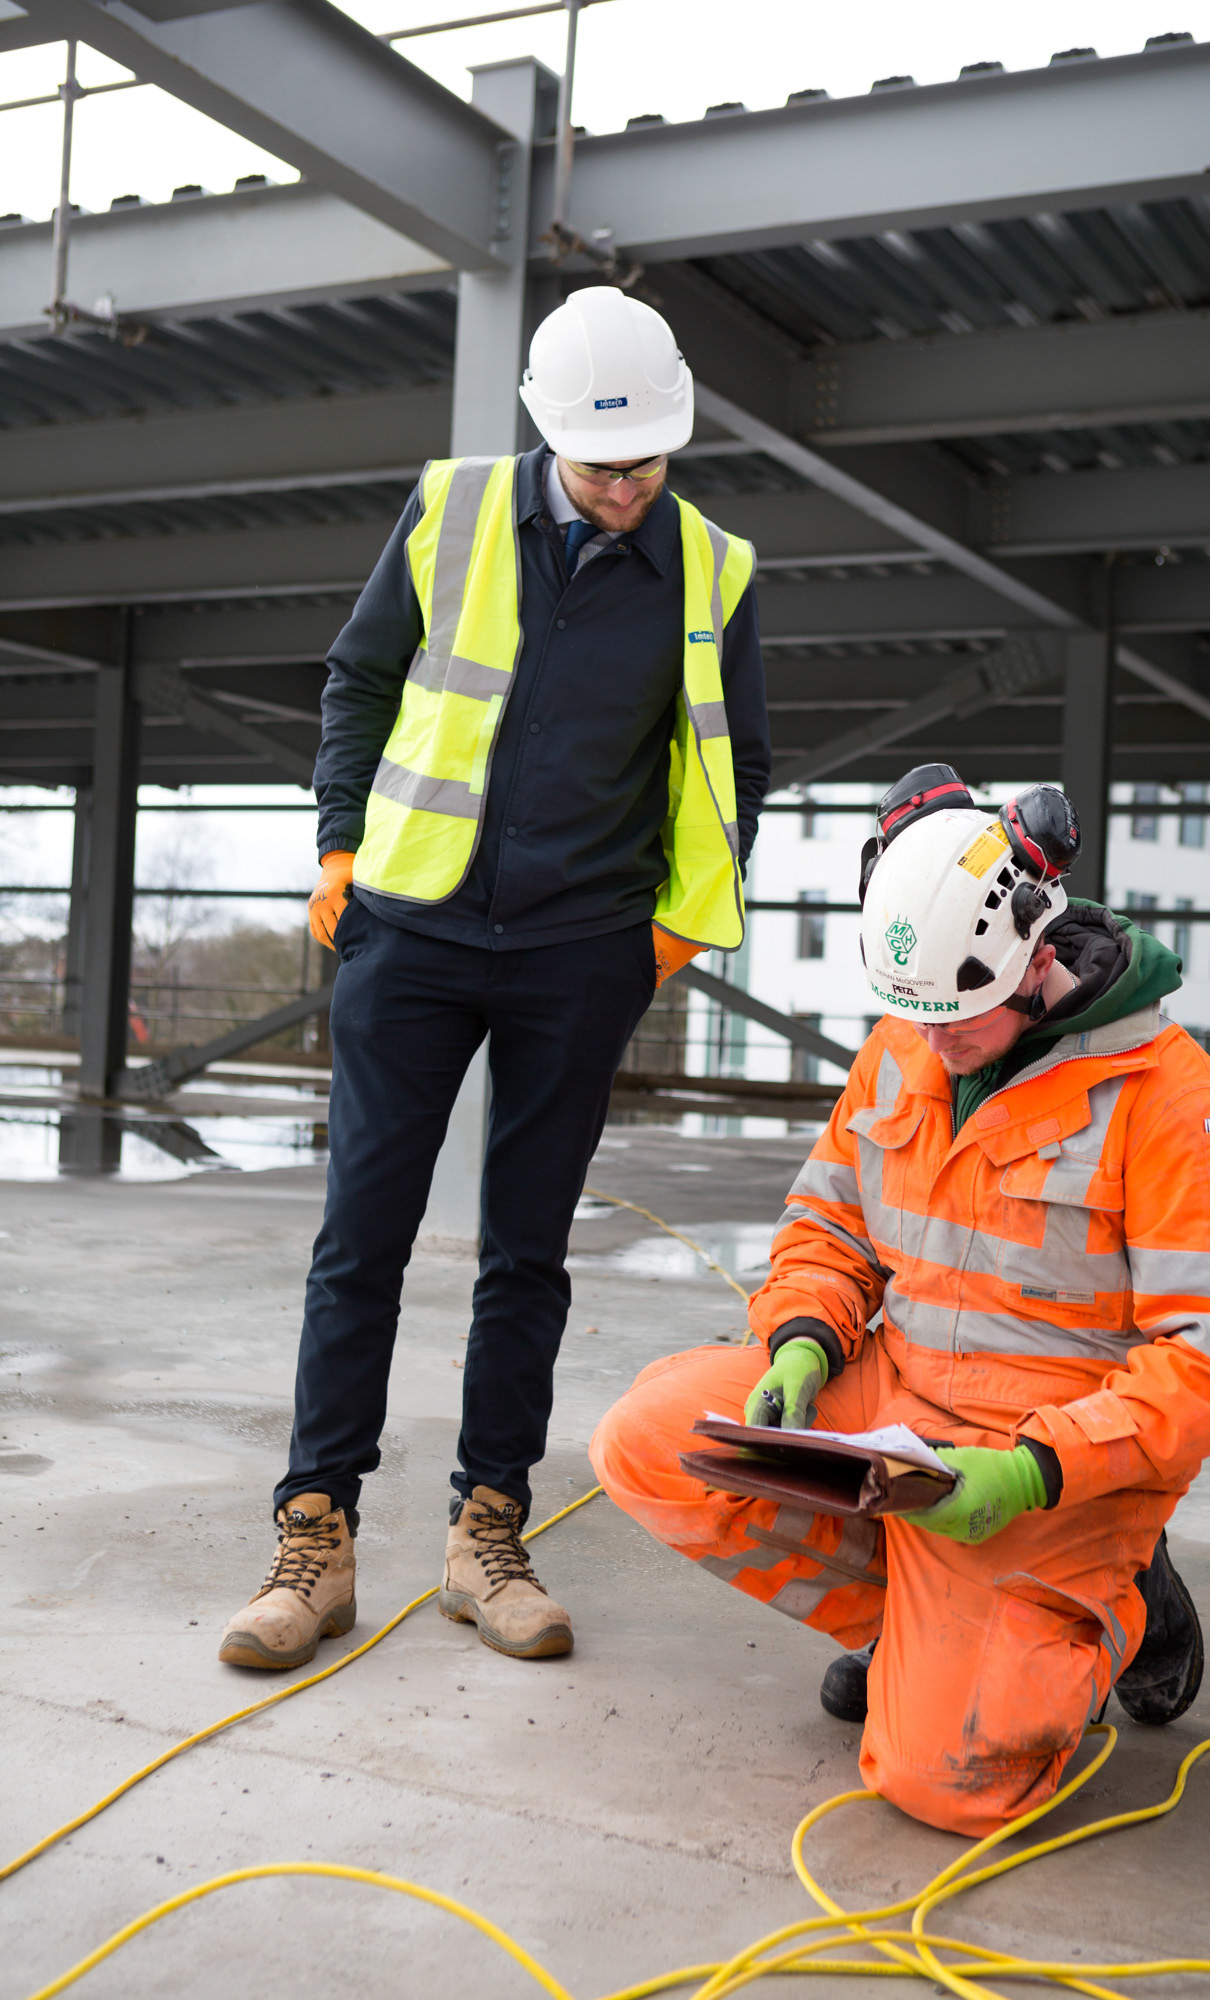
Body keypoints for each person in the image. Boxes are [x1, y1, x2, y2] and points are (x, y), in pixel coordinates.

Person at [220, 287, 770, 1671]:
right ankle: (314, 1536)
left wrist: (673, 932)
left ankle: (487, 1531)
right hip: (408, 929)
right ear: (544, 438)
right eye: (598, 468)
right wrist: (341, 848)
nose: (624, 490)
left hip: (579, 952)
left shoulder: (712, 567)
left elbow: (733, 762)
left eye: (645, 464)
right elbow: (358, 680)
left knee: (526, 1254)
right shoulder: (453, 511)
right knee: (363, 1244)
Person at [590, 764, 1210, 1836]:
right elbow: (829, 1225)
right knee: (650, 1439)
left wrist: (1032, 1467)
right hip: (900, 1405)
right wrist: (802, 1341)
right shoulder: (910, 1041)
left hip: (1057, 1463)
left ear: (1038, 954)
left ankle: (1120, 1604)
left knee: (944, 1784)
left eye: (958, 1018)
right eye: (909, 1016)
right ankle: (918, 1627)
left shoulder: (1184, 1110)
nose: (931, 1042)